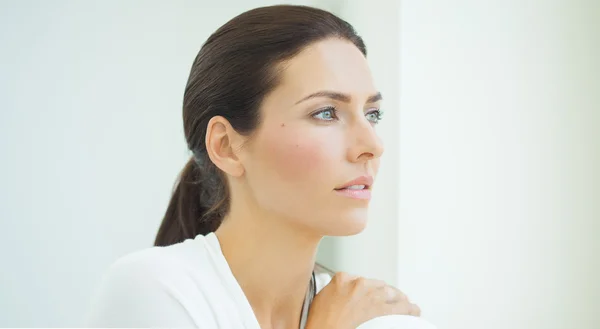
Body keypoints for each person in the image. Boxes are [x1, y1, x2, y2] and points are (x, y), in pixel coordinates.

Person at [86, 5, 430, 329]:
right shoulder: (154, 290)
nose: (372, 145)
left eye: (372, 115)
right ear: (226, 146)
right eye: (326, 112)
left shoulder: (365, 313)